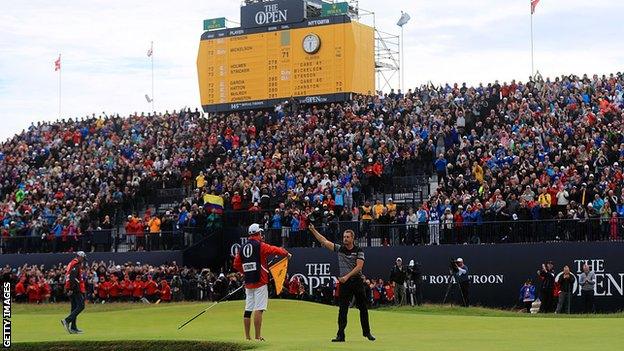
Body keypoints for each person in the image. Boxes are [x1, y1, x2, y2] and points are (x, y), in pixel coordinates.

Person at [309, 224, 375, 342]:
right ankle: (340, 335)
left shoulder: (359, 250)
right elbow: (324, 241)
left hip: (357, 282)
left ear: (352, 239)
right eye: (344, 237)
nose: (345, 239)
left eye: (347, 237)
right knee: (342, 310)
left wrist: (346, 276)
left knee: (363, 308)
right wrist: (313, 230)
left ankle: (367, 333)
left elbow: (359, 267)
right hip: (345, 284)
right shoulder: (340, 249)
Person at [233, 223, 291, 341]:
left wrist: (246, 272)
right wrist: (286, 253)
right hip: (260, 281)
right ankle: (258, 336)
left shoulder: (243, 247)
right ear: (258, 233)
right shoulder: (260, 245)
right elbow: (274, 249)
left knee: (248, 309)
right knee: (259, 309)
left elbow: (236, 264)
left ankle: (247, 337)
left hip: (249, 282)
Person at [61, 251, 86, 334]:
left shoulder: (72, 263)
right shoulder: (76, 264)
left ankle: (73, 327)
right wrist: (72, 288)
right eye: (83, 259)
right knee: (81, 306)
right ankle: (67, 320)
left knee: (74, 307)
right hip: (75, 288)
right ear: (79, 257)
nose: (83, 261)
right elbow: (72, 277)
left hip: (71, 287)